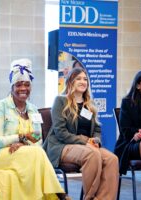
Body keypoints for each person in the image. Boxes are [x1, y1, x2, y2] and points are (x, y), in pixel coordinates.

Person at [0, 58, 69, 200]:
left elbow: (38, 139)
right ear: (12, 87)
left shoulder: (33, 109)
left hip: (22, 153)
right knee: (36, 155)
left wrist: (23, 144)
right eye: (19, 85)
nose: (23, 89)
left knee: (35, 154)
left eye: (27, 85)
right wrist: (19, 138)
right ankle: (60, 195)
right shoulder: (0, 106)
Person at [43, 67, 119, 200]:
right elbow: (60, 132)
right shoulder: (60, 101)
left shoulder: (89, 105)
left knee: (112, 159)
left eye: (85, 79)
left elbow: (97, 129)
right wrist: (84, 140)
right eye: (78, 78)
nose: (83, 82)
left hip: (87, 146)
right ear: (70, 82)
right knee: (92, 154)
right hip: (62, 145)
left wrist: (95, 139)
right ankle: (89, 197)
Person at [114, 69, 141, 175]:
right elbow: (125, 131)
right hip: (131, 143)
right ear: (138, 85)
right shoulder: (127, 102)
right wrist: (138, 134)